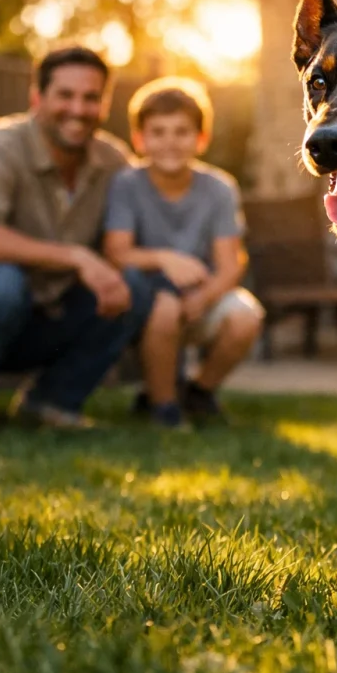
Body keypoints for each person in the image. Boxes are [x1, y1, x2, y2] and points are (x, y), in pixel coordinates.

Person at [0, 46, 156, 436]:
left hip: (42, 318)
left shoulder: (113, 162)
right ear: (37, 97)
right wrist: (77, 257)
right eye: (65, 95)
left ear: (104, 105)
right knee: (0, 283)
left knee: (135, 286)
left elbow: (136, 236)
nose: (78, 108)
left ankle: (52, 402)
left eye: (91, 98)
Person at [103, 77, 264, 429]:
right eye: (158, 132)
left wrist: (205, 297)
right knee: (166, 307)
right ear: (139, 139)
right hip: (144, 299)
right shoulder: (127, 184)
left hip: (200, 294)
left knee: (246, 316)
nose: (170, 142)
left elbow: (230, 264)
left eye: (182, 132)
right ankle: (163, 407)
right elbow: (117, 253)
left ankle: (198, 392)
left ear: (200, 139)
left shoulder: (220, 188)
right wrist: (164, 259)